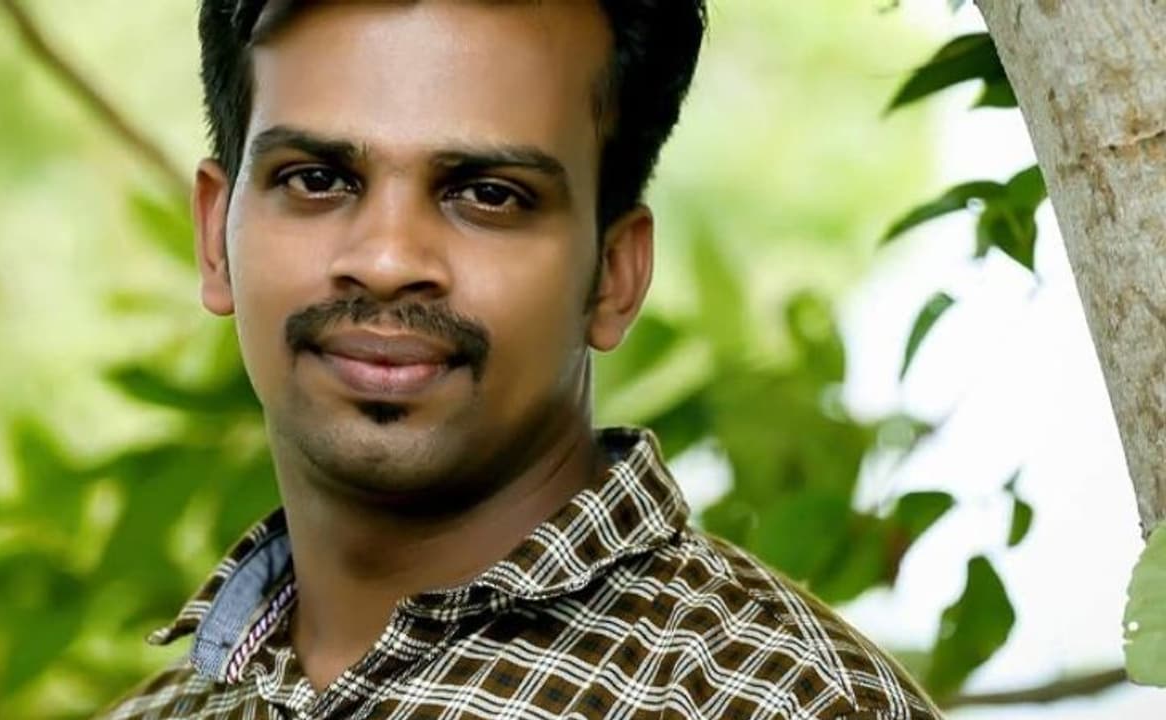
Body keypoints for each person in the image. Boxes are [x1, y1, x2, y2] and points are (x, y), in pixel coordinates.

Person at [98, 1, 942, 718]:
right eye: (318, 179)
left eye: (488, 194)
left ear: (613, 275)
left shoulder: (783, 702)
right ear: (214, 237)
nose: (387, 259)